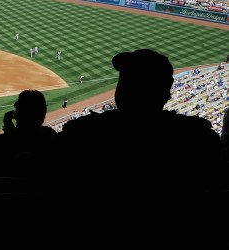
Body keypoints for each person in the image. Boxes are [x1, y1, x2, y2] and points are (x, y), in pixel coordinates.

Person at [54, 49, 224, 201]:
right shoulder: (198, 139)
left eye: (124, 81)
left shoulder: (84, 133)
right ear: (166, 94)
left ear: (122, 90)